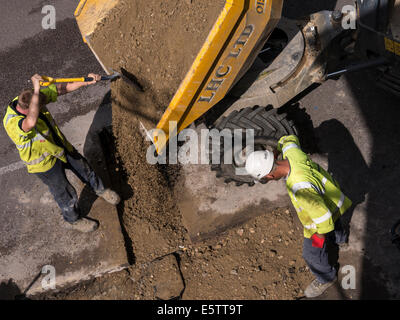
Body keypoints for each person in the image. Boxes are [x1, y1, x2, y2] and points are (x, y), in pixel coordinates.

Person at [3, 74, 120, 233]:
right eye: (39, 106)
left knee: (85, 169)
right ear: (30, 109)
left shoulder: (26, 98)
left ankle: (101, 190)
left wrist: (85, 81)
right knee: (65, 192)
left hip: (59, 147)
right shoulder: (13, 123)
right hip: (45, 164)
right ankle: (73, 219)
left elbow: (60, 89)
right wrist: (37, 90)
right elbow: (29, 123)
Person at [245, 135, 352, 298]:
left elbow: (323, 220)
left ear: (270, 176)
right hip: (332, 199)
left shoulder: (299, 187)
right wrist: (275, 151)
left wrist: (318, 238)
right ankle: (340, 240)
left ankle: (325, 278)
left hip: (319, 221)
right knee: (335, 220)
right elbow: (288, 139)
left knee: (311, 253)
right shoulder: (293, 154)